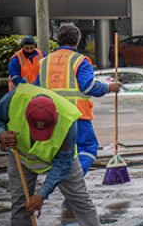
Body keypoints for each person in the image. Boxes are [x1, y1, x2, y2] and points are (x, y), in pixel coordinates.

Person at [0, 83, 118, 226]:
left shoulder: (68, 120)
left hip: (62, 157)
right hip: (21, 155)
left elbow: (63, 164)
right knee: (20, 205)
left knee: (80, 200)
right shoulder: (14, 100)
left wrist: (42, 194)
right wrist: (0, 134)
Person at [37, 23, 119, 176]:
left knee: (62, 150)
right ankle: (74, 180)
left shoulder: (43, 63)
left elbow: (35, 90)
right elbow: (88, 86)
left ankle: (62, 180)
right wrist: (109, 87)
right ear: (77, 40)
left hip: (50, 115)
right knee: (87, 147)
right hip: (76, 115)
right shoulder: (80, 61)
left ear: (58, 39)